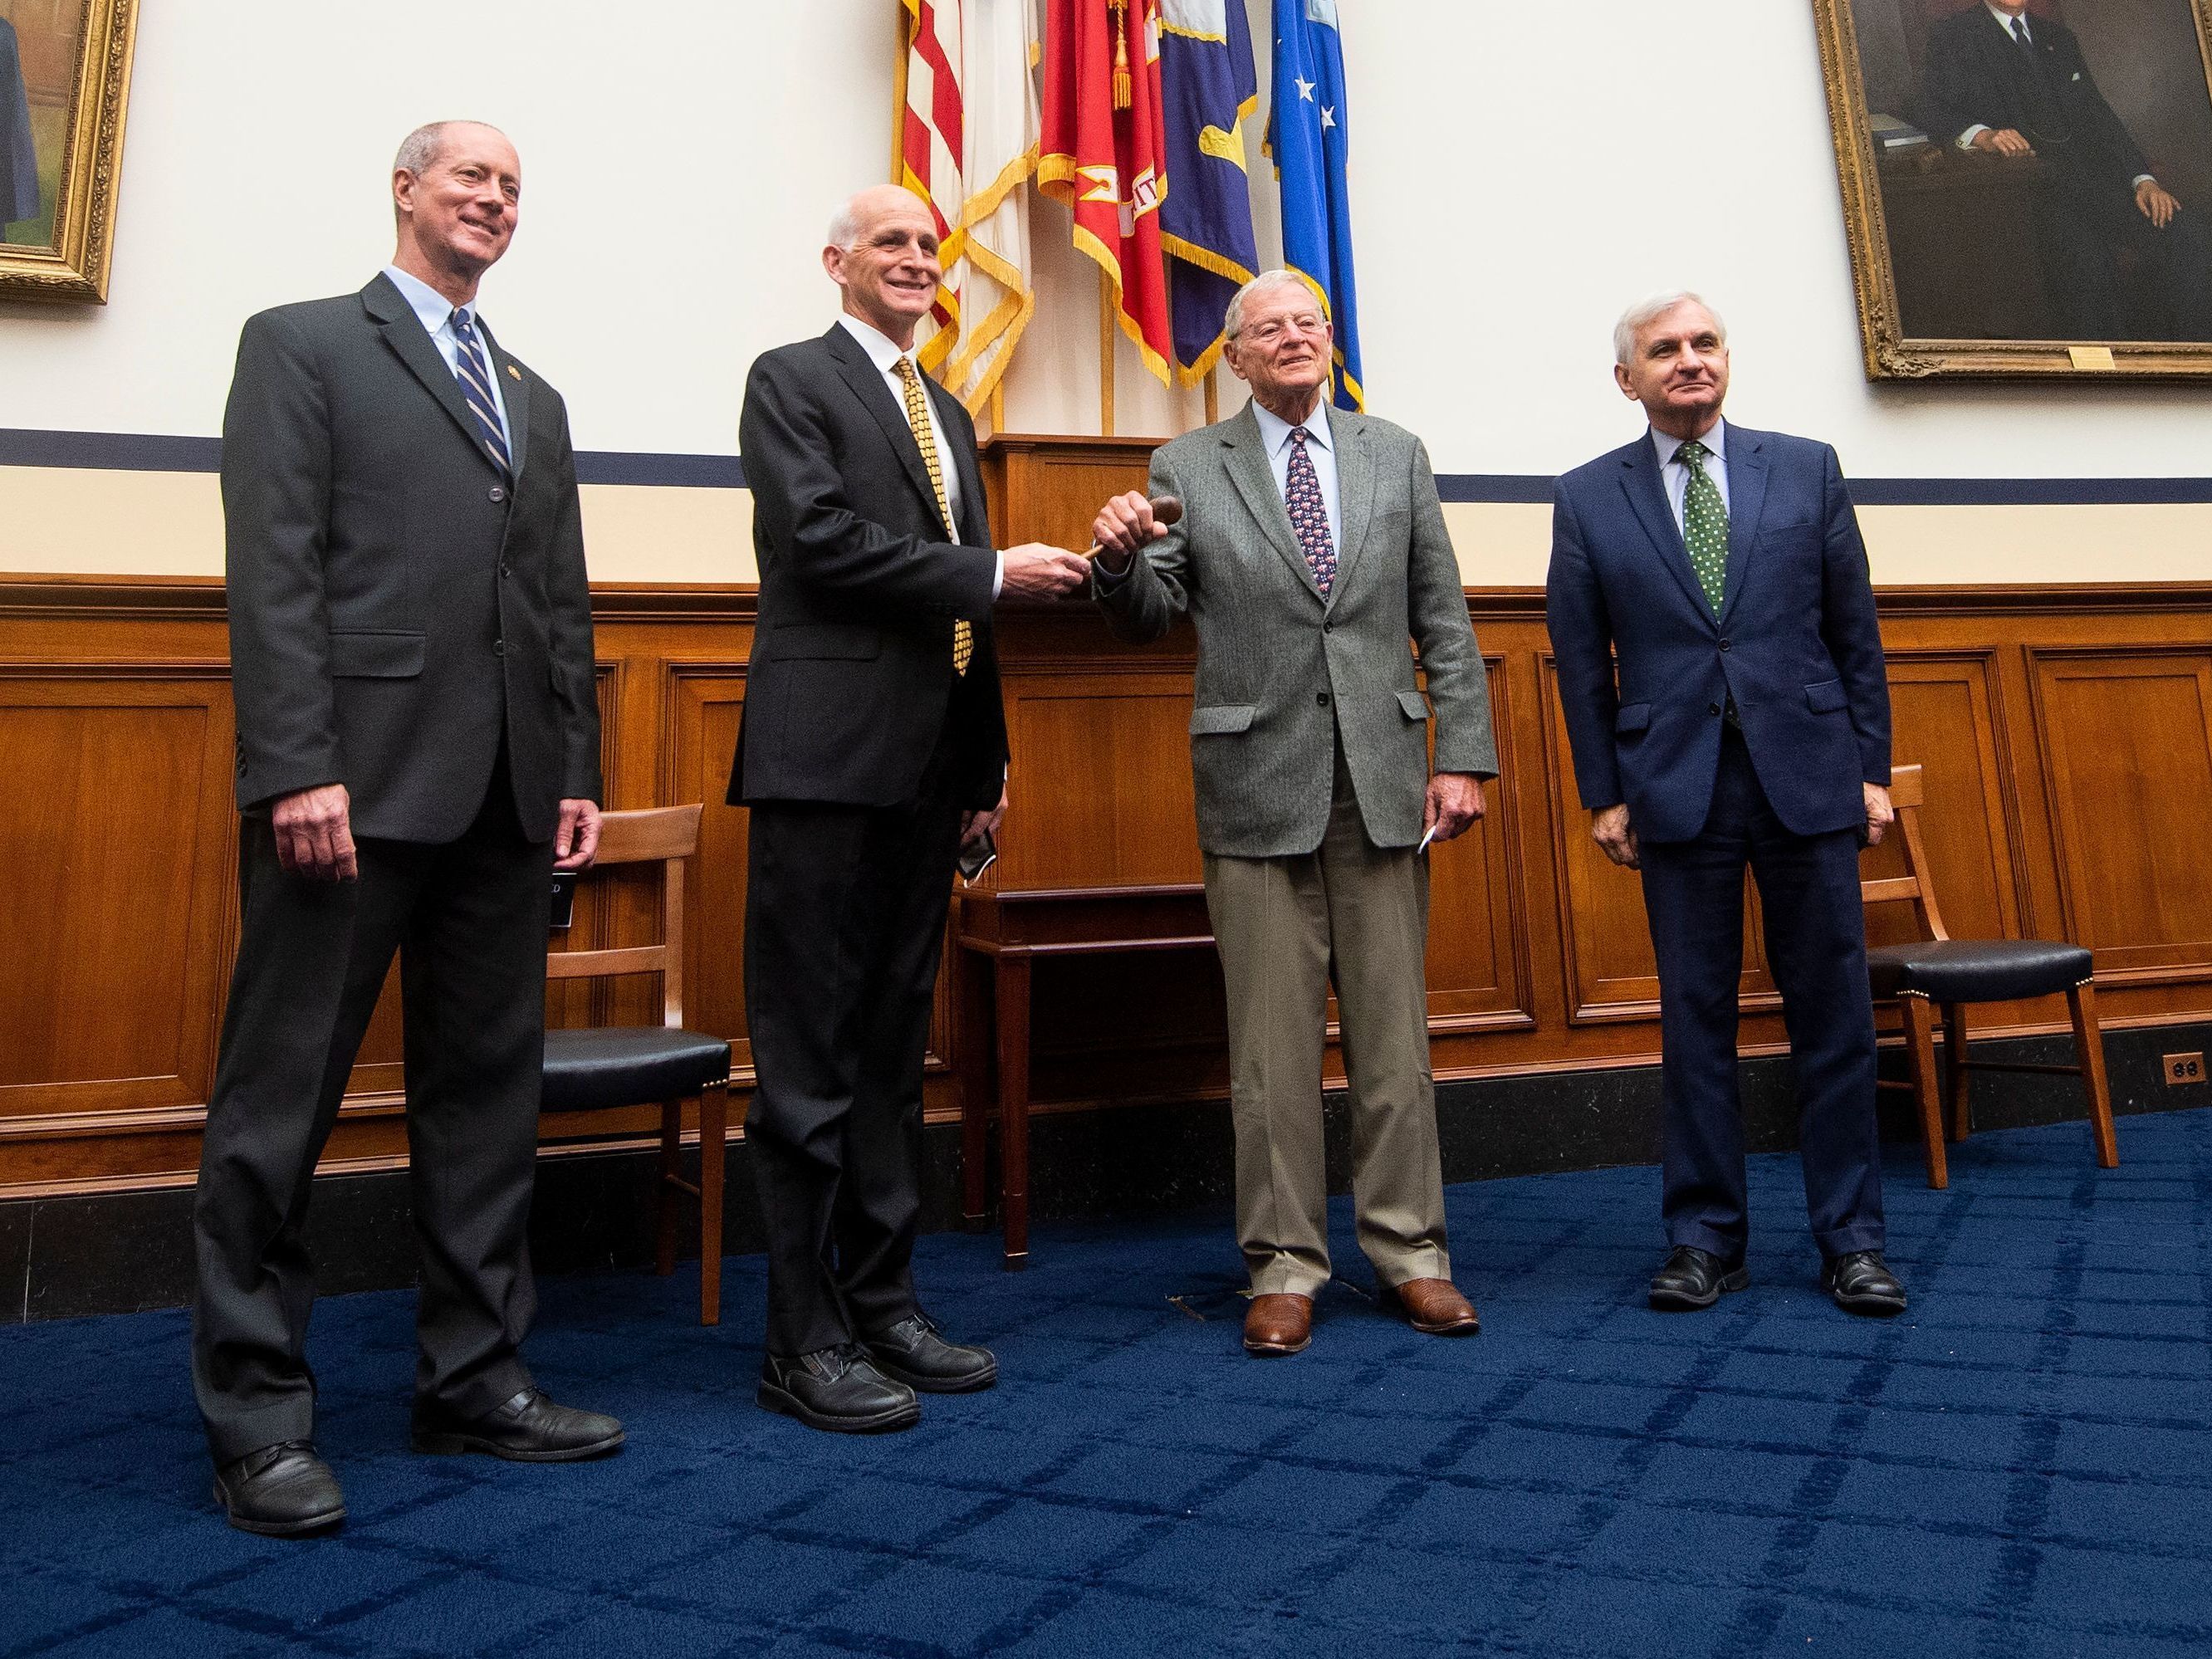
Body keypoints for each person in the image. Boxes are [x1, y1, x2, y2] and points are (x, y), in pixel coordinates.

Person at [193, 120, 619, 1538]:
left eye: (513, 184)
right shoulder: (303, 343)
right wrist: (295, 764)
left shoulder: (535, 395)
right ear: (403, 189)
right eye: (470, 178)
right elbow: (273, 570)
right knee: (280, 1102)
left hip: (504, 800)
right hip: (348, 795)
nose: (495, 199)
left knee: (486, 1100)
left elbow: (557, 601)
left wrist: (573, 766)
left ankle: (474, 1375)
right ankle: (257, 1418)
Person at [732, 185, 1090, 1432]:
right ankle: (800, 1336)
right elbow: (819, 544)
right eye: (891, 243)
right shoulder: (788, 379)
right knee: (806, 1066)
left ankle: (882, 1302)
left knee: (890, 1060)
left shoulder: (945, 410)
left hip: (928, 774)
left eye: (929, 248)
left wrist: (984, 764)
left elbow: (960, 624)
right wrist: (995, 569)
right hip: (822, 764)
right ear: (835, 262)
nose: (917, 262)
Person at [1091, 268, 1495, 1358]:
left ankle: (1414, 1253)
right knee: (1269, 1052)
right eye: (1266, 328)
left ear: (1329, 338)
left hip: (1383, 780)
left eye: (1306, 322)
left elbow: (1445, 621)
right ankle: (1281, 1265)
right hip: (1255, 785)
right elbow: (1149, 615)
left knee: (1392, 1040)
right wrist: (1120, 559)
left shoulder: (1393, 453)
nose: (1291, 339)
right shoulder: (1186, 464)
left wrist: (1462, 757)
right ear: (1235, 355)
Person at [1547, 292, 1906, 1319]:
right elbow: (1581, 665)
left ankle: (1853, 1241)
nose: (1690, 361)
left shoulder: (1806, 468)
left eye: (1705, 343)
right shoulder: (1585, 497)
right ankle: (1705, 1240)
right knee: (1695, 1020)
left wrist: (1869, 771)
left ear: (1727, 360)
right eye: (1665, 350)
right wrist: (1603, 795)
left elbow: (1857, 636)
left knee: (1834, 1016)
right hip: (1675, 787)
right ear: (1630, 380)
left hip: (1808, 777)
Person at [1918, 0, 2212, 340]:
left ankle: (2192, 364)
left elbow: (2099, 116)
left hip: (2096, 186)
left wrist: (2143, 179)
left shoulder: (2058, 37)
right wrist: (1982, 134)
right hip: (2029, 196)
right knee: (2087, 267)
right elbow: (1929, 108)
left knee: (2191, 234)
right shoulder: (1955, 35)